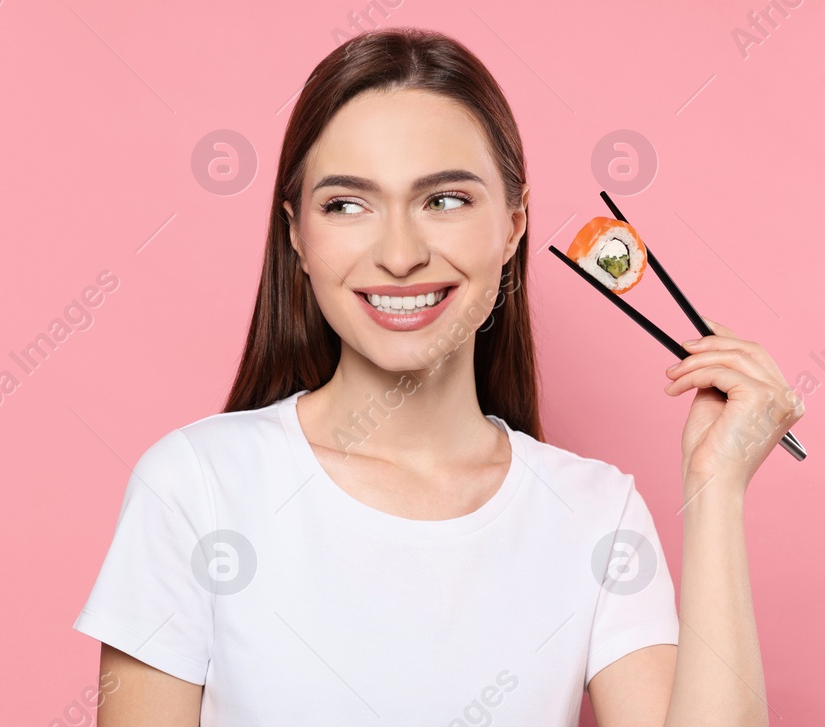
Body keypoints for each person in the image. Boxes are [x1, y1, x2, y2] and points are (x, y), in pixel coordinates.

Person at [72, 26, 800, 726]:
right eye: (347, 204)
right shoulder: (194, 486)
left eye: (444, 200)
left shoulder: (595, 513)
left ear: (513, 224)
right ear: (296, 234)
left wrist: (716, 488)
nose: (399, 254)